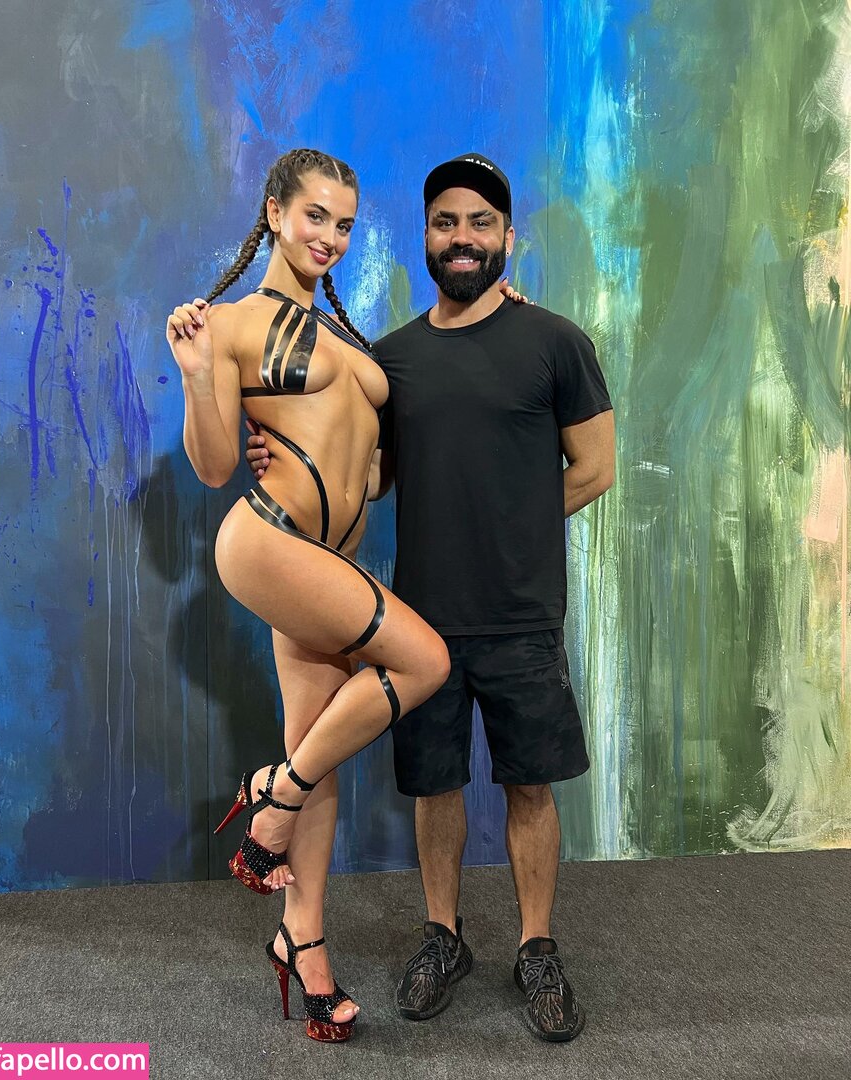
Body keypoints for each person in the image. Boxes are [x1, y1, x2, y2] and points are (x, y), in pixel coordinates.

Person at [248, 153, 615, 1043]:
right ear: (426, 237)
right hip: (423, 618)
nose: (462, 237)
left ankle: (536, 947)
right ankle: (442, 937)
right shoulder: (396, 359)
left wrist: (515, 528)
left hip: (522, 614)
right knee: (436, 787)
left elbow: (595, 467)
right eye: (446, 222)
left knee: (529, 785)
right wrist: (283, 451)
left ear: (507, 238)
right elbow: (371, 475)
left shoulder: (556, 342)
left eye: (480, 223)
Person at [166, 148, 452, 1043]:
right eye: (315, 215)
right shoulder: (232, 324)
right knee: (425, 662)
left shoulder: (348, 337)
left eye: (345, 224)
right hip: (271, 541)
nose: (330, 236)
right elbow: (215, 463)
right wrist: (196, 372)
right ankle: (274, 798)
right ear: (275, 211)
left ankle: (305, 945)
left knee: (318, 748)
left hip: (328, 564)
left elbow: (370, 461)